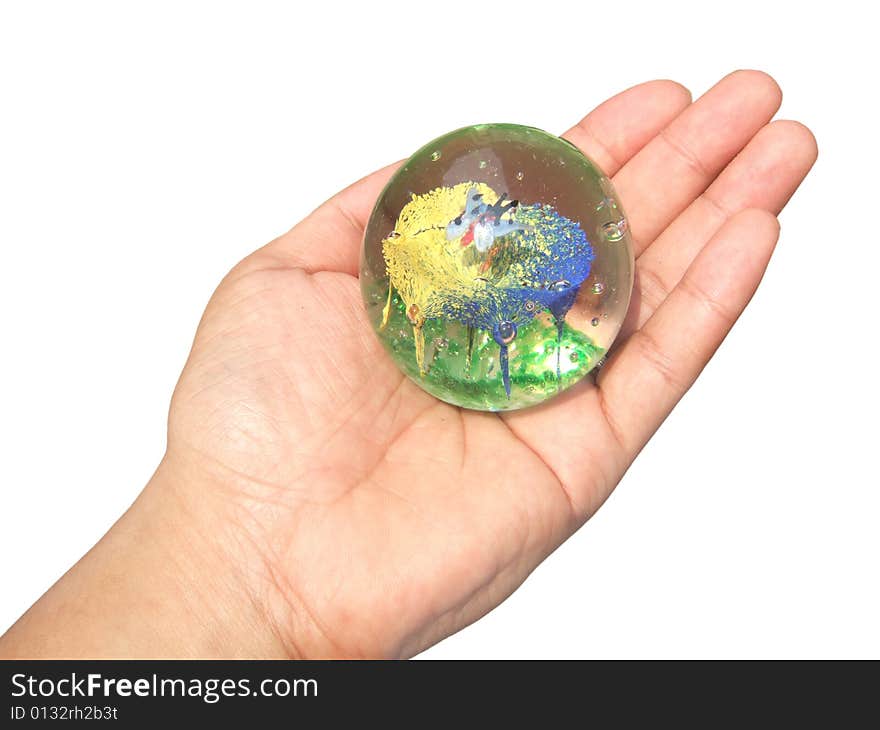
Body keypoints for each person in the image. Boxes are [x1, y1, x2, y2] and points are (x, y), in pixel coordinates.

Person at [0, 71, 817, 659]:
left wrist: (240, 577)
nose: (476, 230)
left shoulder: (545, 251)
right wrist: (230, 556)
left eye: (483, 220)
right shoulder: (428, 254)